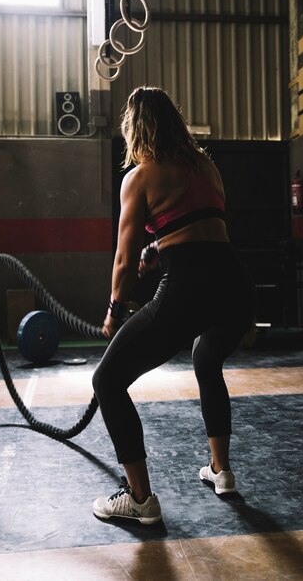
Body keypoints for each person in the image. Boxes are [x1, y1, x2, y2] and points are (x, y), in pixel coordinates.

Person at [92, 86, 255, 524]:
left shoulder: (139, 176)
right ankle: (221, 471)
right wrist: (158, 251)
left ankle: (139, 499)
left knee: (107, 381)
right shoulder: (207, 167)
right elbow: (199, 227)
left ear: (135, 127)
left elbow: (123, 260)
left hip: (189, 288)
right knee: (206, 357)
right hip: (235, 286)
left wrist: (114, 309)